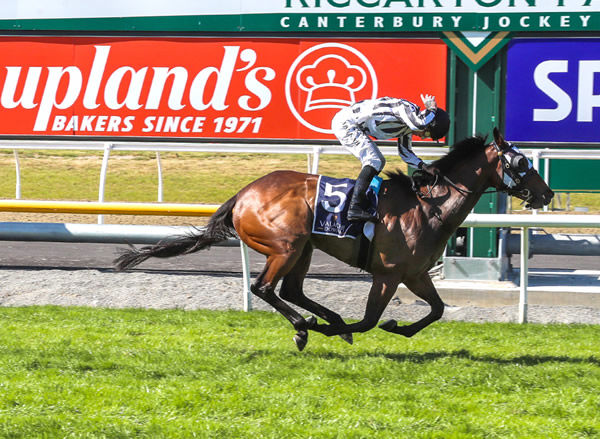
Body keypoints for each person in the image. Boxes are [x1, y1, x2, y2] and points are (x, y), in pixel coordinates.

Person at [332, 94, 450, 222]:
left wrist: (424, 166)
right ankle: (355, 207)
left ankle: (362, 200)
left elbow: (405, 153)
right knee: (374, 160)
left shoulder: (408, 124)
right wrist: (432, 108)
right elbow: (419, 124)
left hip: (352, 125)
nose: (422, 137)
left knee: (378, 161)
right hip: (346, 123)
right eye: (427, 133)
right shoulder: (408, 110)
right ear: (428, 121)